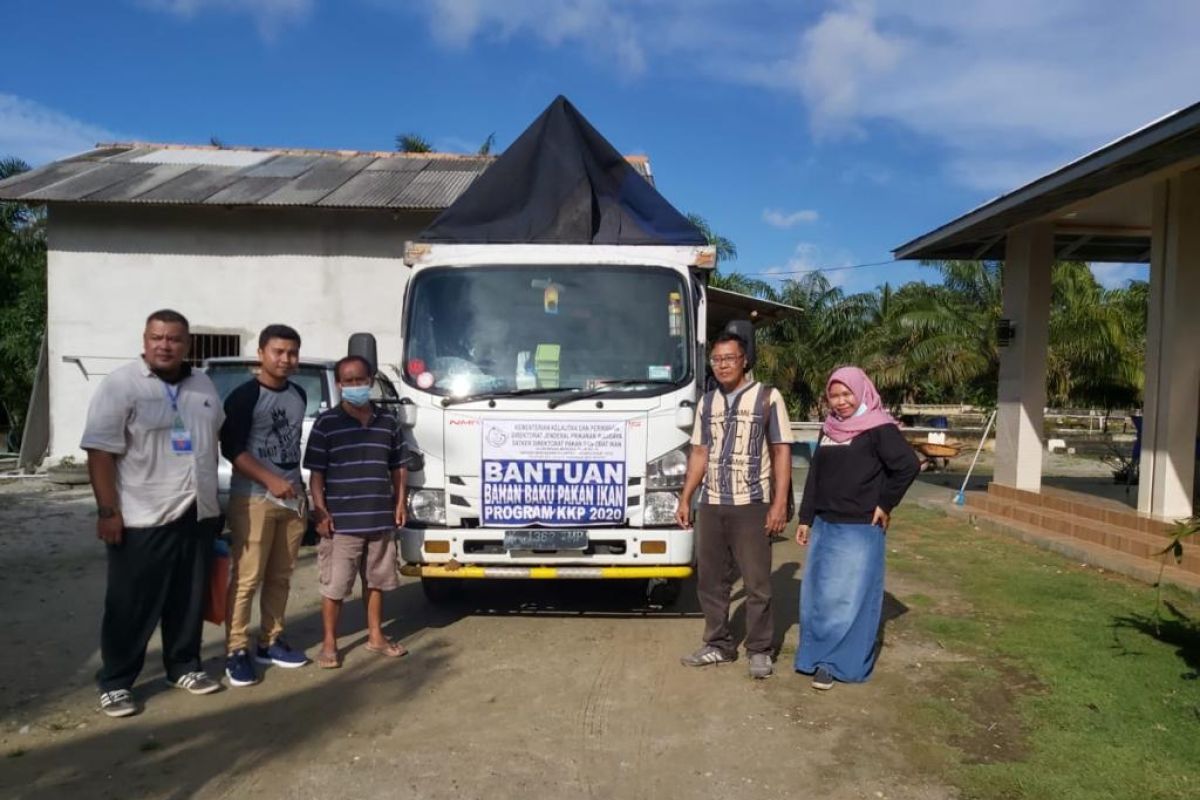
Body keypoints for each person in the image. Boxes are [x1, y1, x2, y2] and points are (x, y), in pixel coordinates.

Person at [81, 309, 225, 717]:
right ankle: (116, 682)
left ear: (187, 344)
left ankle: (183, 666)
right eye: (157, 337)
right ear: (144, 340)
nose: (165, 345)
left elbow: (211, 440)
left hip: (196, 513)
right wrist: (108, 511)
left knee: (189, 598)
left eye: (174, 339)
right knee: (131, 604)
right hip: (142, 515)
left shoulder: (203, 384)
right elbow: (100, 453)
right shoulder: (121, 385)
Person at [675, 332, 793, 679]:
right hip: (711, 503)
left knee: (757, 583)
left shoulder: (768, 398)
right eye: (716, 359)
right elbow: (699, 452)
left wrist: (779, 503)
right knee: (710, 581)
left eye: (729, 358)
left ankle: (759, 649)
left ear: (744, 361)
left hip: (752, 504)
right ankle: (718, 644)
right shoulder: (706, 402)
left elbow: (781, 450)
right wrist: (686, 497)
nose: (722, 364)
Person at [794, 366, 919, 690]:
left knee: (848, 599)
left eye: (846, 393)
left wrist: (885, 503)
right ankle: (815, 657)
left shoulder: (878, 427)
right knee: (819, 597)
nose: (840, 401)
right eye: (834, 395)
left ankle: (837, 664)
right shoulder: (830, 428)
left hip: (859, 528)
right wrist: (806, 519)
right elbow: (815, 476)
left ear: (862, 392)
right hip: (825, 524)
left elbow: (906, 465)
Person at [304, 356, 410, 668]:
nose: (354, 386)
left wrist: (400, 503)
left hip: (379, 517)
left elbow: (398, 467)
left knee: (376, 580)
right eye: (348, 381)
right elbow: (316, 475)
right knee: (335, 586)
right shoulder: (327, 423)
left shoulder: (388, 421)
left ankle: (376, 637)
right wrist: (320, 512)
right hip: (342, 522)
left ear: (371, 380)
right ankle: (329, 644)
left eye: (360, 380)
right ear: (338, 385)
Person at [220, 324, 310, 686]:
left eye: (292, 353)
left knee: (281, 576)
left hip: (291, 501)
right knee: (246, 578)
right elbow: (232, 449)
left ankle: (270, 640)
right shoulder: (244, 397)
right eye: (278, 352)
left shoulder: (299, 393)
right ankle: (235, 649)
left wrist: (295, 489)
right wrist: (269, 479)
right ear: (261, 354)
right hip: (253, 498)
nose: (286, 359)